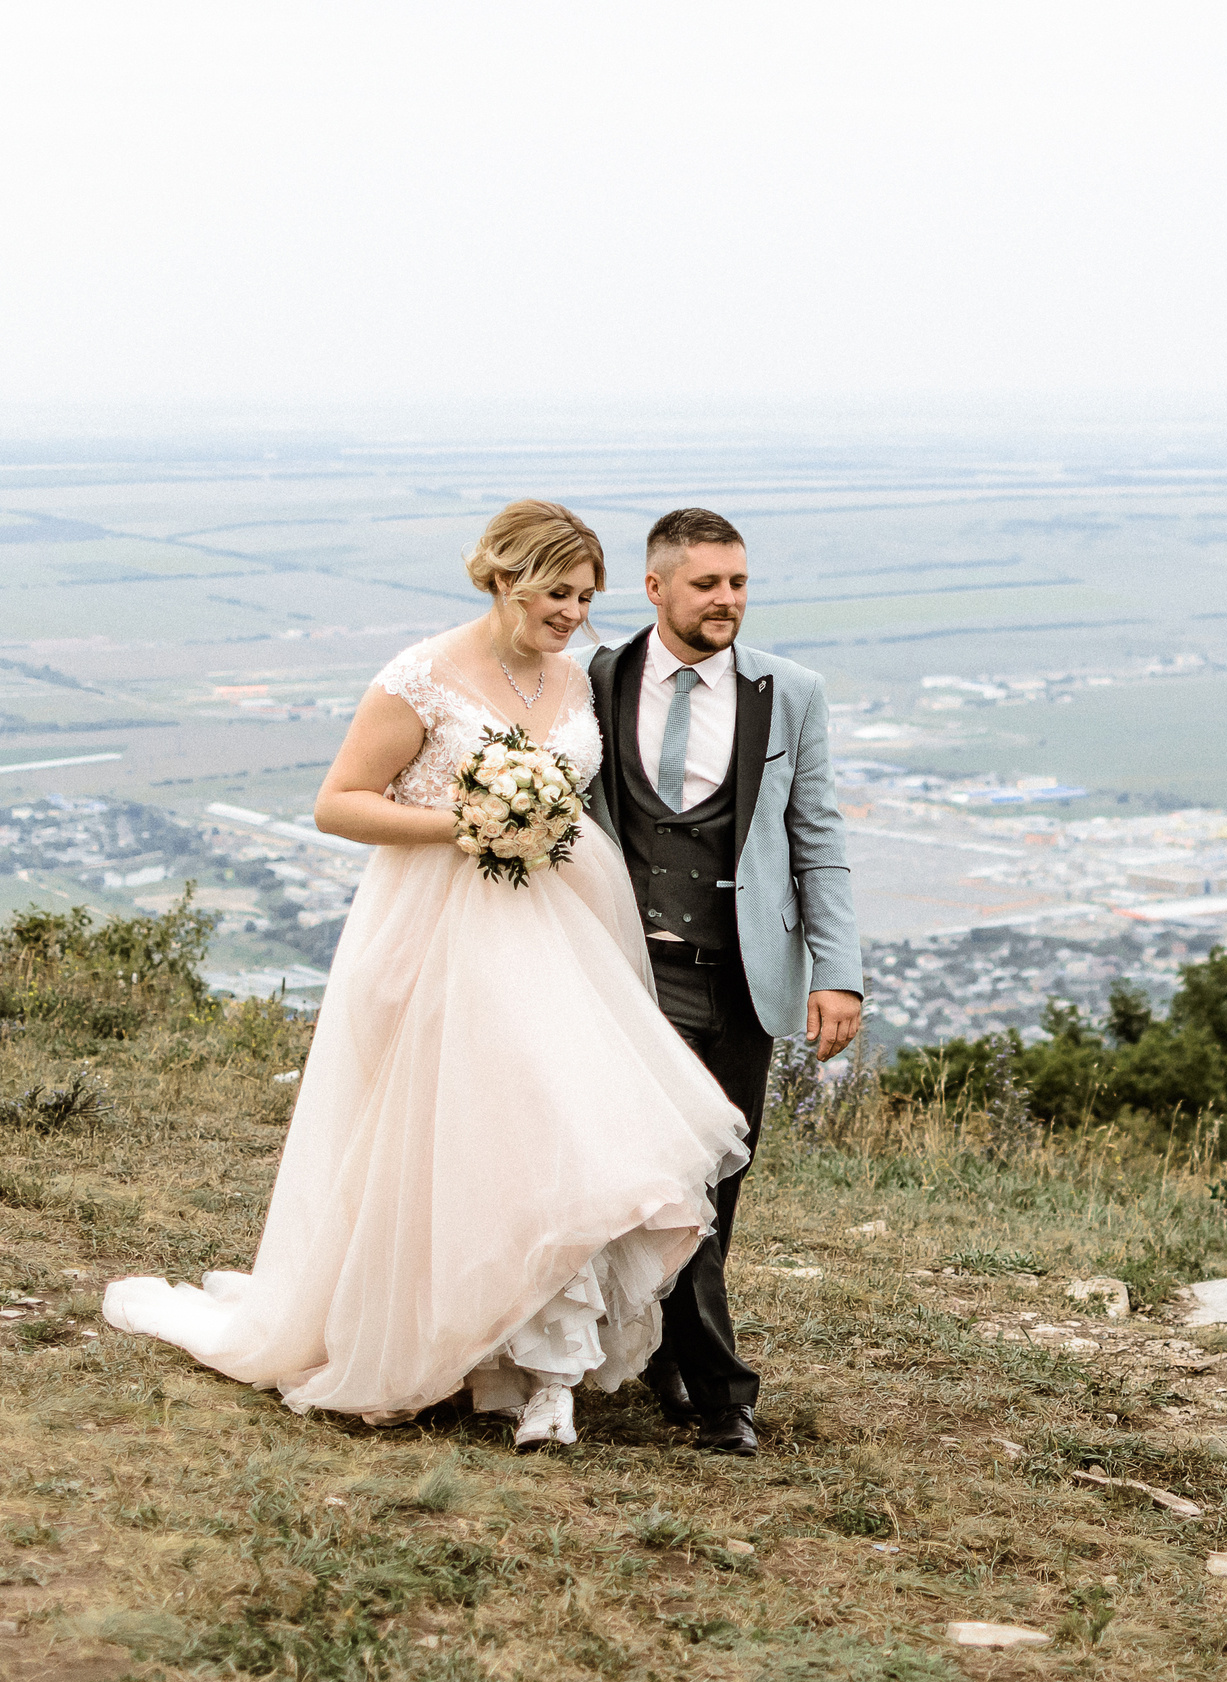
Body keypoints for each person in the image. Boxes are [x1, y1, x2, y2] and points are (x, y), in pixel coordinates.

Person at [104, 501, 753, 1451]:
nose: (574, 614)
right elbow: (338, 803)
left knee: (562, 1136)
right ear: (503, 580)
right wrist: (469, 821)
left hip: (560, 934)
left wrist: (539, 823)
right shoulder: (421, 676)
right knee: (467, 1146)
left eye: (586, 597)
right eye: (556, 594)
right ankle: (447, 1342)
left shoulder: (575, 678)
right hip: (440, 935)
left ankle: (549, 1378)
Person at [584, 507, 864, 1458]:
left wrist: (838, 972)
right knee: (669, 1171)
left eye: (739, 582)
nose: (728, 600)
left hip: (742, 978)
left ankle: (665, 1355)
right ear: (655, 586)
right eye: (707, 583)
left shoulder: (791, 693)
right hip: (629, 970)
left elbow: (817, 838)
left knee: (718, 1179)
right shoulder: (595, 679)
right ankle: (723, 1397)